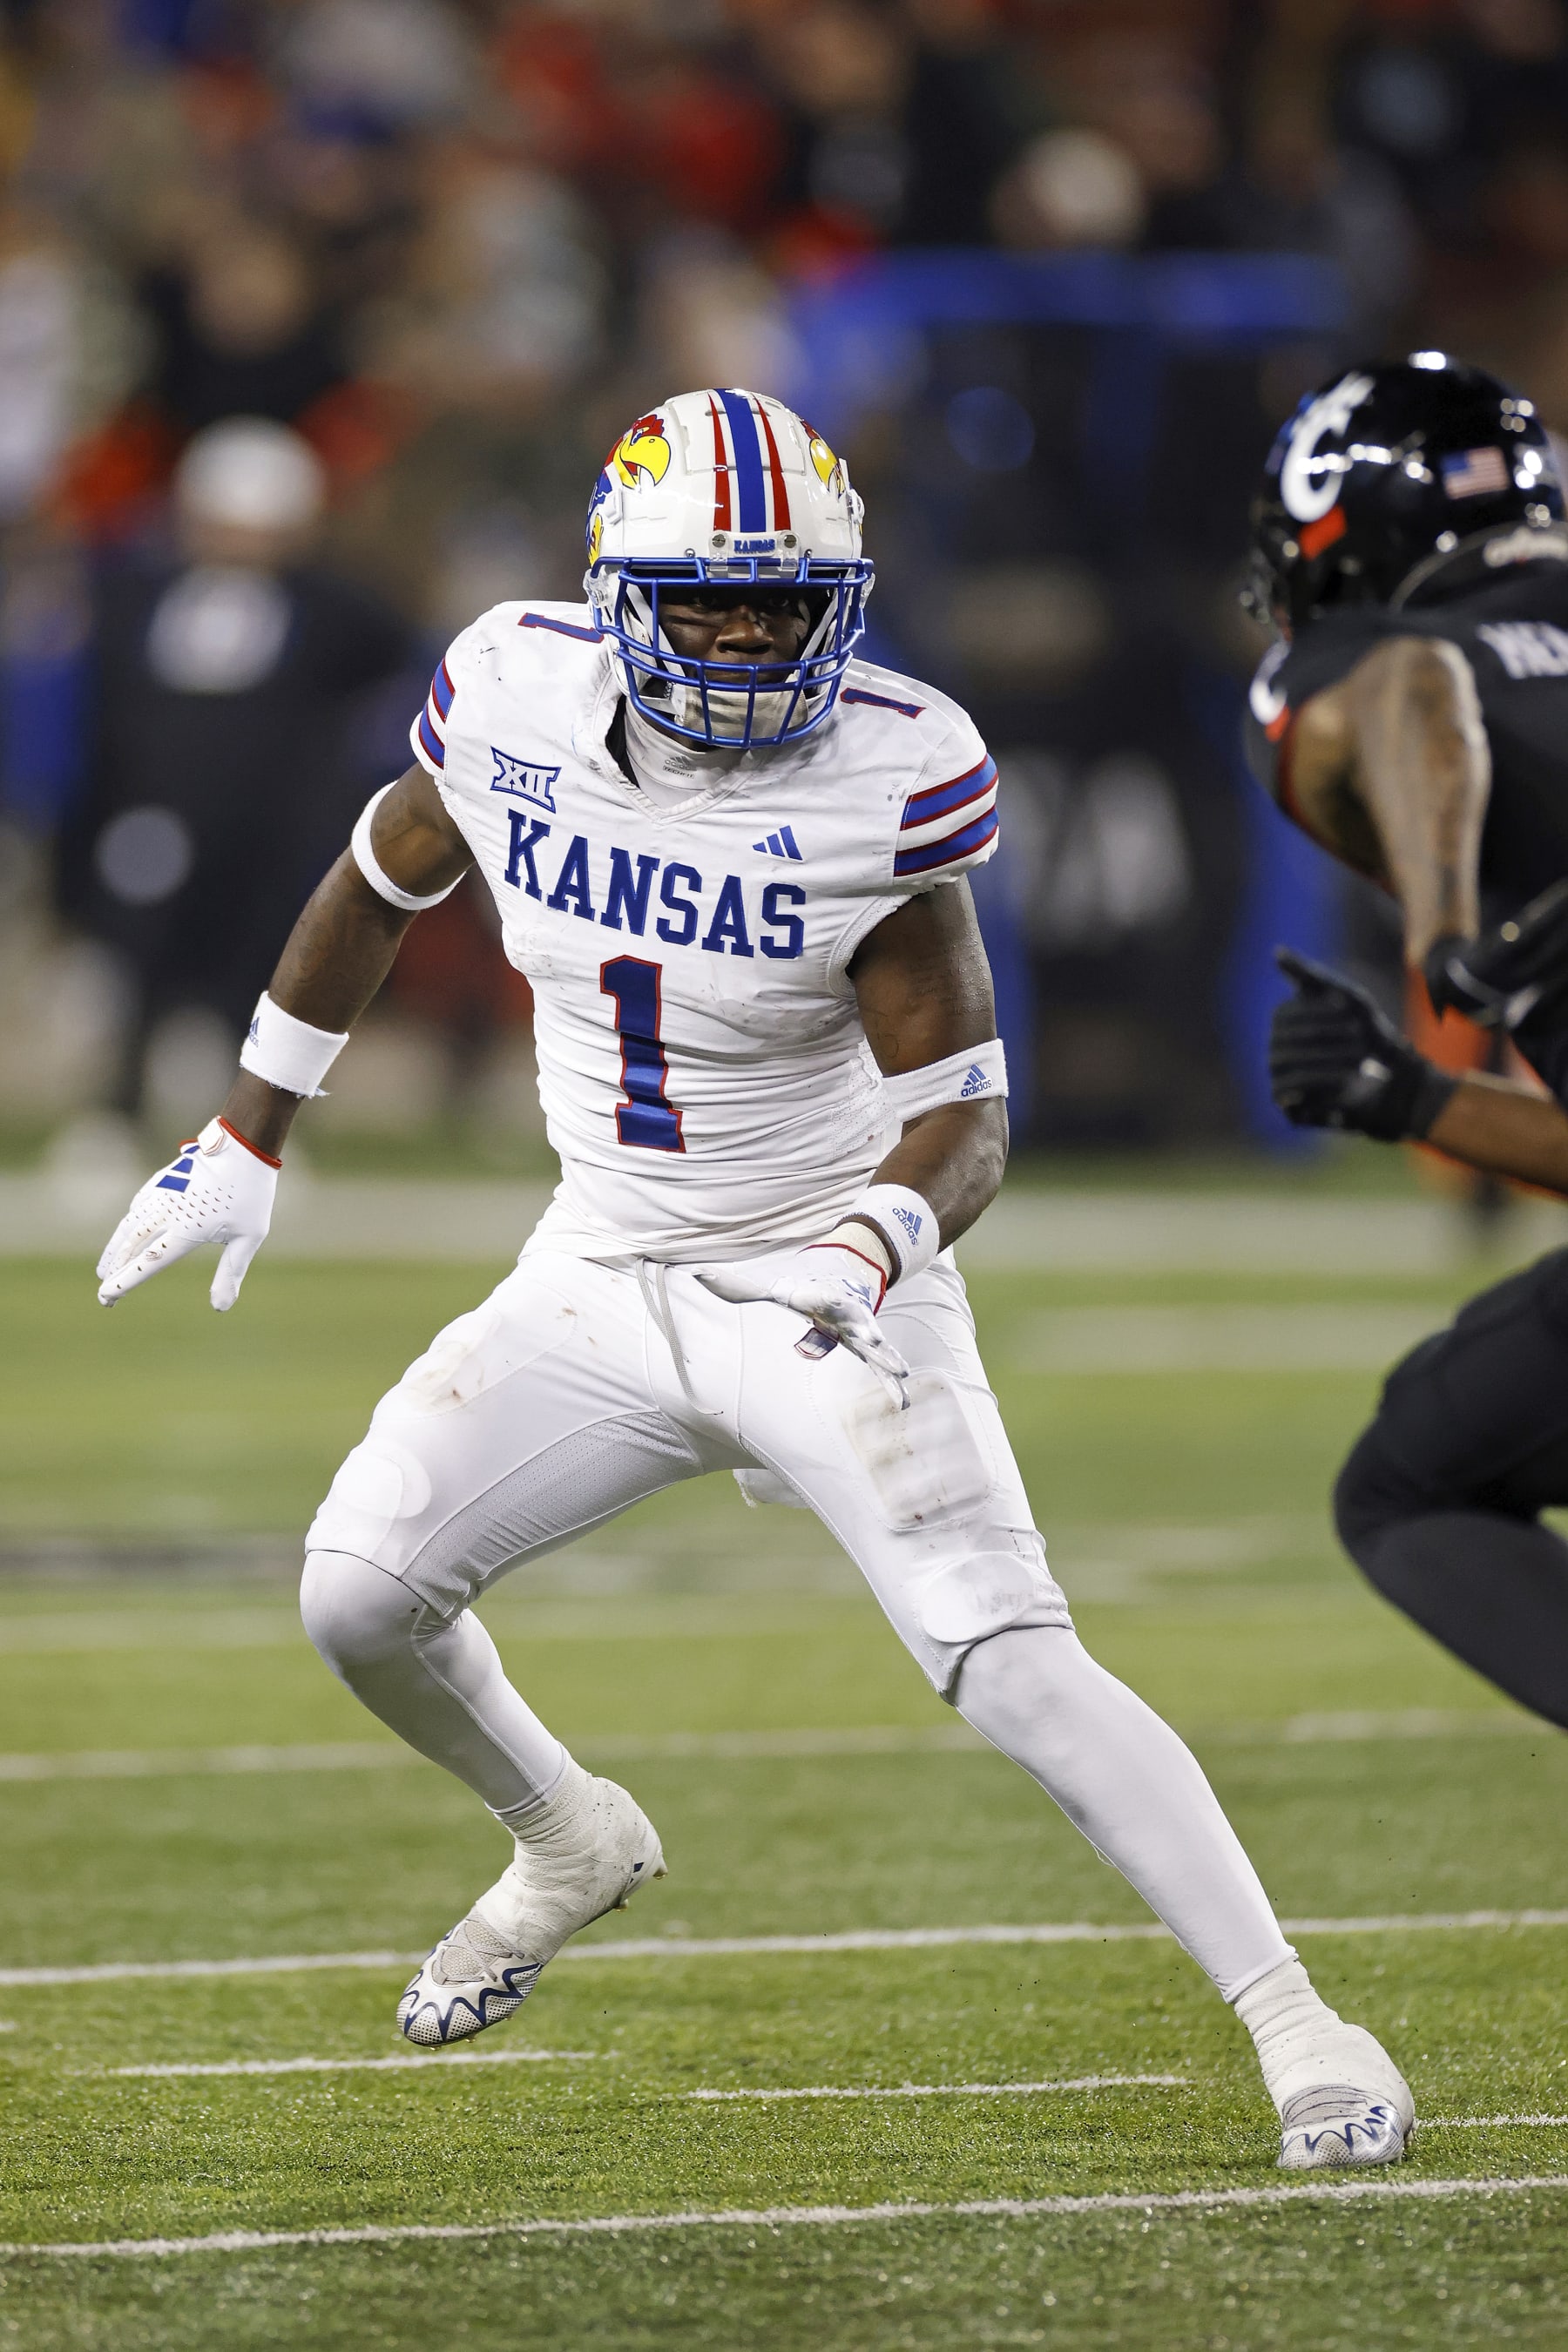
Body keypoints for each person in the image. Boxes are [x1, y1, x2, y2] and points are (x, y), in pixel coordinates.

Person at [97, 388, 1410, 2172]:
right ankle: (567, 1835)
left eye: (779, 606)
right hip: (597, 1266)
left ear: (838, 606)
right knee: (356, 1594)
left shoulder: (885, 777)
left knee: (1008, 1660)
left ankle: (1301, 2024)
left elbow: (965, 1116)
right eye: (702, 602)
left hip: (823, 1274)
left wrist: (876, 1243)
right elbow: (377, 878)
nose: (737, 639)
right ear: (617, 596)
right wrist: (250, 1132)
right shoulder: (514, 696)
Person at [1243, 353, 1568, 1734]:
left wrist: (1444, 941)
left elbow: (1410, 685)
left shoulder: (1381, 657)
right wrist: (1415, 1097)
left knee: (1410, 1485)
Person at [56, 416, 416, 1117]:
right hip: (153, 818)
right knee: (137, 966)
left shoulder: (332, 611)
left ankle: (255, 1125)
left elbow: (391, 658)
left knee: (261, 975)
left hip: (271, 829)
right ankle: (116, 1112)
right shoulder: (132, 598)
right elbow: (108, 713)